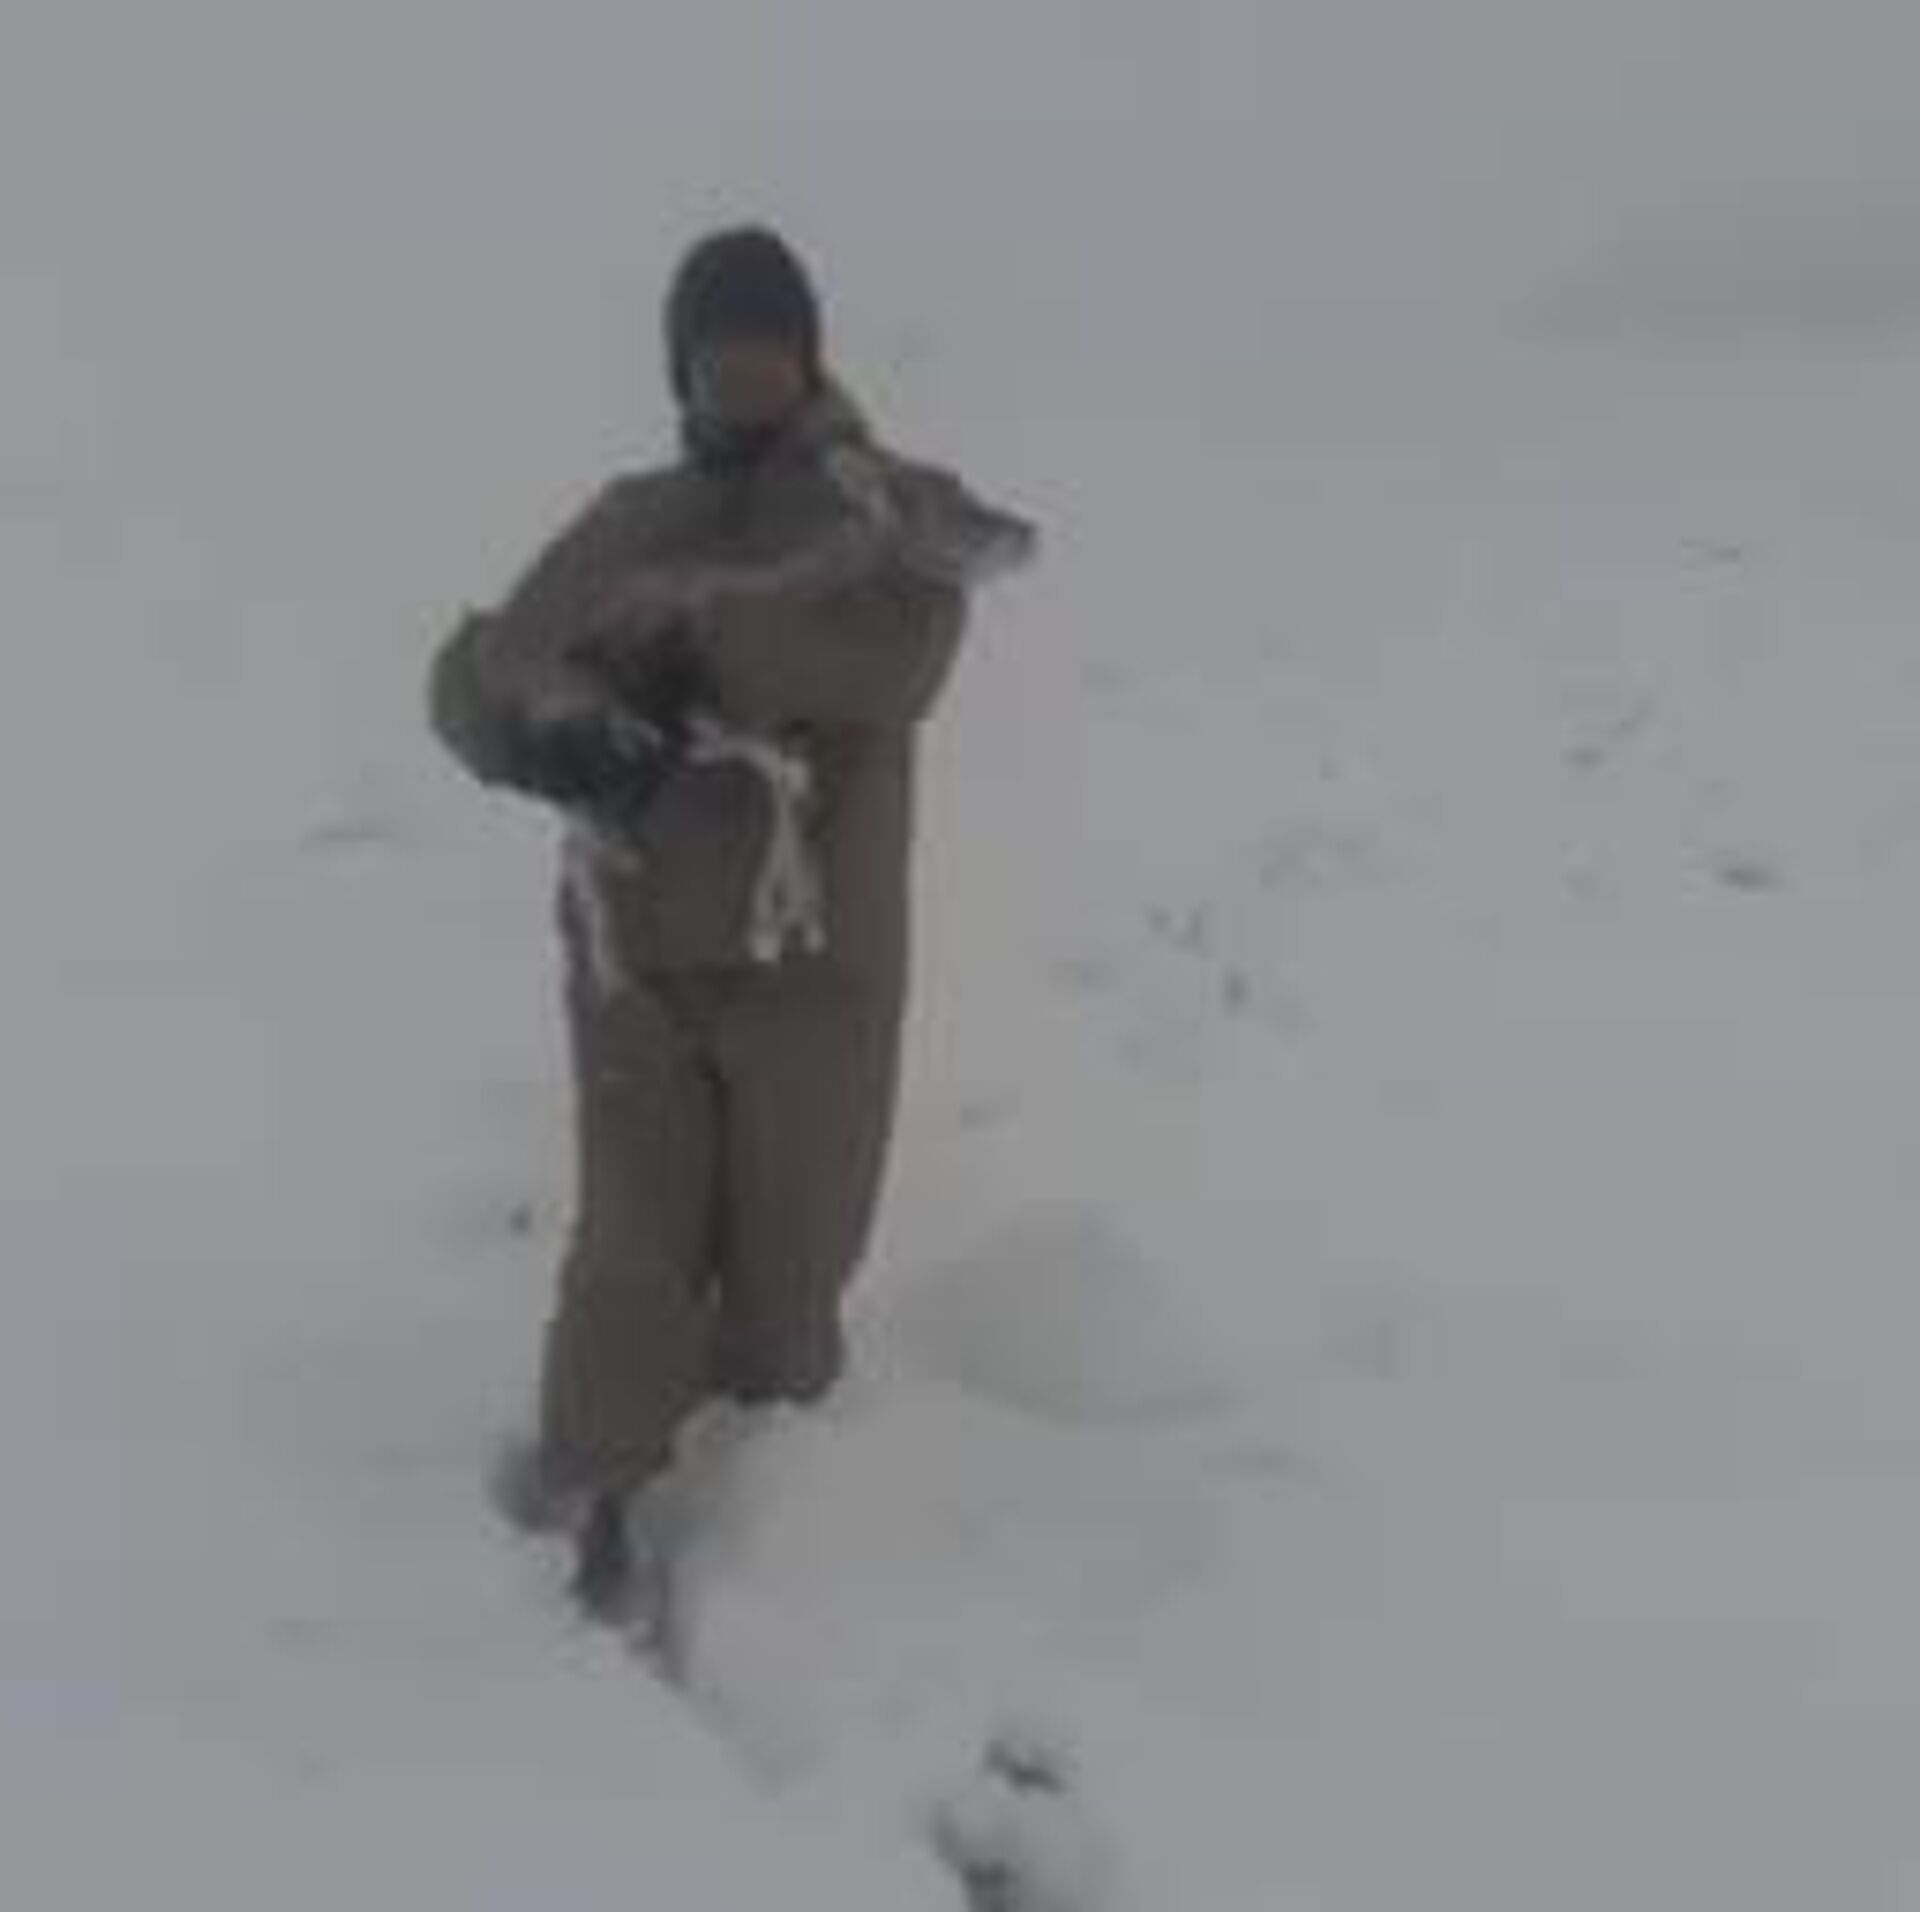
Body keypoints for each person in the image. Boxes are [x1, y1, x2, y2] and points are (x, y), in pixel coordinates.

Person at [428, 226, 1035, 1623]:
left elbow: (893, 663)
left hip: (812, 969)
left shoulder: (881, 510)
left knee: (787, 1281)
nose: (745, 375)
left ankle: (781, 1556)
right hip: (633, 953)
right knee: (630, 1251)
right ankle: (599, 1501)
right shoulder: (628, 517)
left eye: (769, 348)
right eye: (717, 355)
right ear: (681, 370)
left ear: (809, 356)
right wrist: (553, 732)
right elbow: (481, 671)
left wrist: (691, 639)